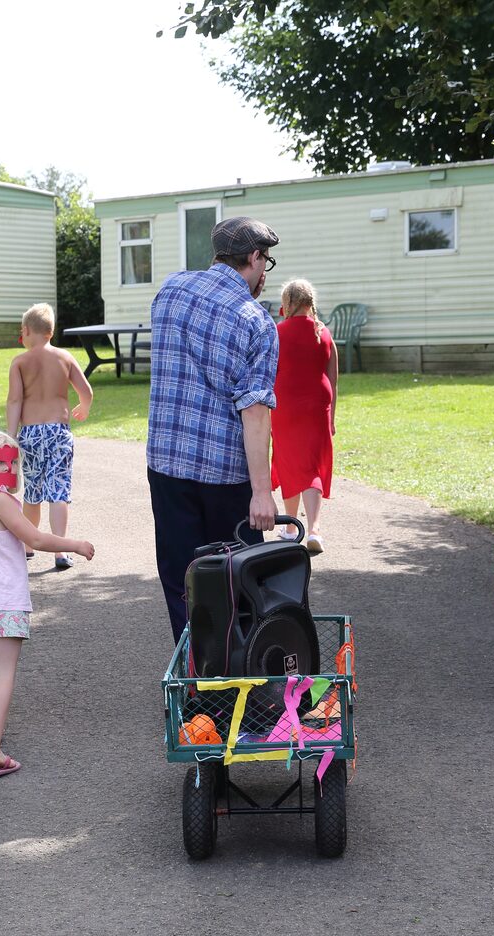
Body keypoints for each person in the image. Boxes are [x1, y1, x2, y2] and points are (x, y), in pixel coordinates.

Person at [147, 215, 281, 639]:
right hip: (225, 474)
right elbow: (255, 411)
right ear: (255, 257)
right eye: (267, 263)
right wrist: (262, 492)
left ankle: (195, 683)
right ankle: (234, 688)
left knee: (182, 580)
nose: (265, 276)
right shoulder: (256, 321)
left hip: (166, 464)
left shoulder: (170, 290)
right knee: (235, 581)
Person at [0, 429, 94, 779]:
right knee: (4, 672)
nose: (10, 469)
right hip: (3, 599)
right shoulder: (1, 501)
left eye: (15, 462)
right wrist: (73, 544)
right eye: (0, 461)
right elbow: (32, 537)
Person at [6, 302, 93, 571]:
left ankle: (28, 545)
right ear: (51, 332)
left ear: (27, 331)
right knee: (58, 492)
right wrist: (84, 407)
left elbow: (14, 400)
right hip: (58, 432)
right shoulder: (65, 358)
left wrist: (11, 436)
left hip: (30, 434)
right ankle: (61, 550)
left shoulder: (20, 362)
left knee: (33, 491)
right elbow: (86, 390)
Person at [269, 278, 337, 555]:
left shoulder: (277, 331)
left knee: (287, 460)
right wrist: (332, 416)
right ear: (311, 303)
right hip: (318, 403)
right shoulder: (323, 332)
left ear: (288, 303)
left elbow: (270, 370)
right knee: (312, 466)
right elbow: (333, 375)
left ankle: (290, 527)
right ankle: (315, 530)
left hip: (286, 403)